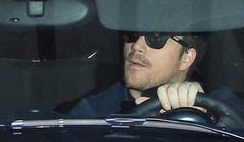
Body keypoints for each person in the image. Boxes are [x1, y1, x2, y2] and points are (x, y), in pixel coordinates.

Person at [71, 31, 221, 117]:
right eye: (132, 34)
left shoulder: (221, 107)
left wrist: (203, 119)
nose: (136, 46)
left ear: (186, 58)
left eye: (156, 37)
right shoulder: (93, 112)